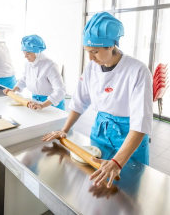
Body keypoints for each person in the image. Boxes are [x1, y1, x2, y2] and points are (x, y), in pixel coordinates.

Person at [42, 12, 152, 188]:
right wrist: (64, 129)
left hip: (129, 136)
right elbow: (79, 101)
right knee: (97, 182)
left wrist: (117, 162)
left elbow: (141, 123)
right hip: (101, 130)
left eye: (95, 52)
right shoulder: (92, 67)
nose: (91, 58)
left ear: (112, 46)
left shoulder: (137, 71)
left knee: (128, 188)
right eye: (88, 52)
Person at [3, 35, 66, 110]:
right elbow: (24, 79)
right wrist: (13, 90)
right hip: (35, 102)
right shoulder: (28, 64)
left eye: (28, 53)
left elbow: (60, 91)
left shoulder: (50, 66)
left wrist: (42, 105)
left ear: (37, 52)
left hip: (51, 103)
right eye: (24, 53)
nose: (25, 57)